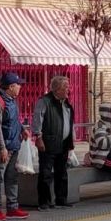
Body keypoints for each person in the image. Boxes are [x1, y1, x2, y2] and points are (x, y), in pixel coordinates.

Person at [0, 72, 29, 221]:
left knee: (12, 178)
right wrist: (1, 148)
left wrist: (22, 129)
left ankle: (12, 208)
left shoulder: (11, 101)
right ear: (11, 87)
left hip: (13, 145)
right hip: (1, 149)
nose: (20, 87)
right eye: (18, 85)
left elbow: (13, 120)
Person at [31, 75, 75, 210]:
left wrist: (71, 141)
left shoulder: (66, 103)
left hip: (63, 144)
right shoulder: (45, 101)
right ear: (56, 89)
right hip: (48, 143)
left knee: (62, 173)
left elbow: (70, 123)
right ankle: (44, 202)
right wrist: (38, 137)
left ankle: (61, 200)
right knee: (45, 173)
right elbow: (37, 119)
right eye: (65, 87)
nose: (68, 90)